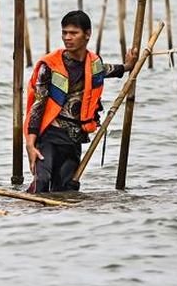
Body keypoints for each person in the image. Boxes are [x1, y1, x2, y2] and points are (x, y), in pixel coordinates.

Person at [25, 10, 136, 193]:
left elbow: (108, 70)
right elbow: (37, 106)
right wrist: (30, 144)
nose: (67, 38)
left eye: (73, 33)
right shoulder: (50, 66)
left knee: (67, 190)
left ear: (87, 34)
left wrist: (127, 66)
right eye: (64, 33)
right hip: (49, 136)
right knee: (41, 183)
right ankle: (30, 218)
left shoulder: (94, 64)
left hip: (73, 139)